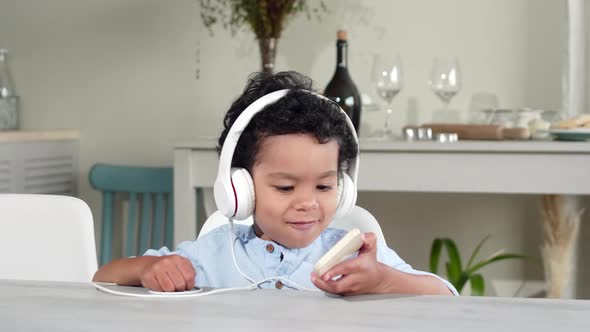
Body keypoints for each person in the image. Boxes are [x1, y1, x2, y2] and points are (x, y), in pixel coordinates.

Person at [93, 71, 457, 296]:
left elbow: (446, 295)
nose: (307, 203)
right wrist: (147, 270)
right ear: (240, 189)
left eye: (324, 187)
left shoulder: (354, 258)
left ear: (343, 189)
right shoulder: (217, 254)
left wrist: (382, 281)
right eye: (285, 188)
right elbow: (104, 277)